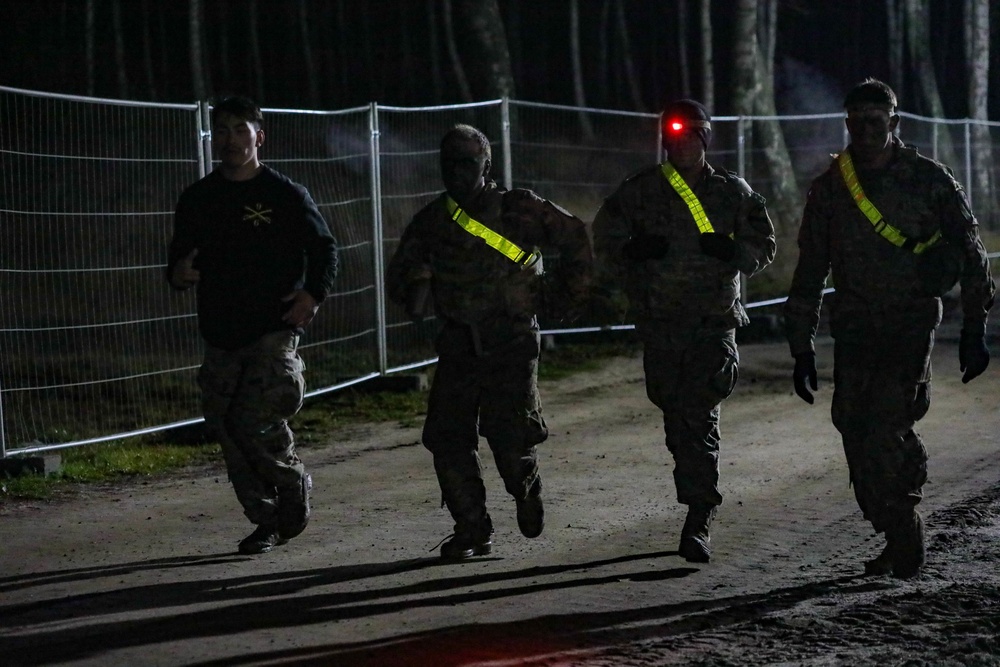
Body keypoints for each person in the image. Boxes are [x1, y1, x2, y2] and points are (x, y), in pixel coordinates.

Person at [784, 78, 995, 579]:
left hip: (908, 329)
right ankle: (893, 524)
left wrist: (974, 329)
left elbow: (971, 255)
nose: (864, 130)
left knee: (883, 430)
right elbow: (811, 269)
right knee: (853, 432)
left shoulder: (929, 180)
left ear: (894, 123)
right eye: (855, 121)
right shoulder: (831, 188)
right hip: (855, 331)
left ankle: (905, 526)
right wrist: (801, 346)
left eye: (875, 120)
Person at [386, 124, 593, 560]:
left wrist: (557, 299)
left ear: (486, 165)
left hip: (511, 341)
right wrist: (417, 288)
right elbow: (400, 281)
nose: (458, 172)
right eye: (450, 163)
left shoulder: (518, 209)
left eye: (468, 163)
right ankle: (472, 529)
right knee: (447, 438)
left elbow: (575, 237)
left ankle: (526, 487)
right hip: (459, 343)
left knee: (510, 438)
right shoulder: (431, 222)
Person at [592, 99, 776, 563]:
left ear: (705, 139)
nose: (683, 144)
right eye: (674, 137)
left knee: (697, 416)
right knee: (677, 421)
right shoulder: (640, 191)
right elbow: (605, 239)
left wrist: (732, 251)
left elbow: (763, 245)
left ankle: (699, 517)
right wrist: (633, 251)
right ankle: (696, 497)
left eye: (692, 136)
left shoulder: (731, 192)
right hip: (661, 325)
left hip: (712, 326)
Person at [166, 96, 339, 555]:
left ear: (259, 137)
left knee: (256, 419)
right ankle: (266, 519)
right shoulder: (199, 198)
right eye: (221, 131)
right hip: (221, 331)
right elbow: (179, 260)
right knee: (226, 426)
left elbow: (325, 250)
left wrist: (312, 296)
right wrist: (178, 272)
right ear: (212, 138)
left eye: (240, 130)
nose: (231, 140)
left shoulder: (284, 195)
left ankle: (292, 481)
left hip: (272, 328)